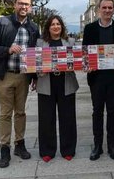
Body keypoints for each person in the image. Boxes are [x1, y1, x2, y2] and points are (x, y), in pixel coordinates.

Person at [0, 0, 40, 168]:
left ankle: (20, 144)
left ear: (30, 7)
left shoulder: (33, 27)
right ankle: (4, 149)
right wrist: (7, 49)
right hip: (5, 75)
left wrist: (35, 77)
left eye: (27, 4)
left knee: (21, 112)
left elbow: (36, 53)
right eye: (21, 3)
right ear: (14, 5)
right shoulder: (2, 23)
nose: (24, 7)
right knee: (5, 113)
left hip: (24, 76)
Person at [82, 0, 114, 161]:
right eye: (104, 8)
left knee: (113, 111)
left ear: (113, 9)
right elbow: (85, 53)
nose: (107, 10)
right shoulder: (90, 29)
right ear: (98, 10)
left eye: (110, 8)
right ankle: (97, 146)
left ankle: (111, 145)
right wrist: (86, 64)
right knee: (97, 112)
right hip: (96, 77)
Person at [33, 15, 79, 162]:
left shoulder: (70, 41)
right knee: (46, 118)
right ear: (48, 27)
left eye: (58, 24)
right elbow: (34, 62)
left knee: (68, 118)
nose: (55, 26)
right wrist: (39, 71)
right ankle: (47, 150)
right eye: (52, 24)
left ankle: (68, 149)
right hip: (46, 83)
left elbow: (77, 61)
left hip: (66, 82)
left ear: (62, 26)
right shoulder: (40, 42)